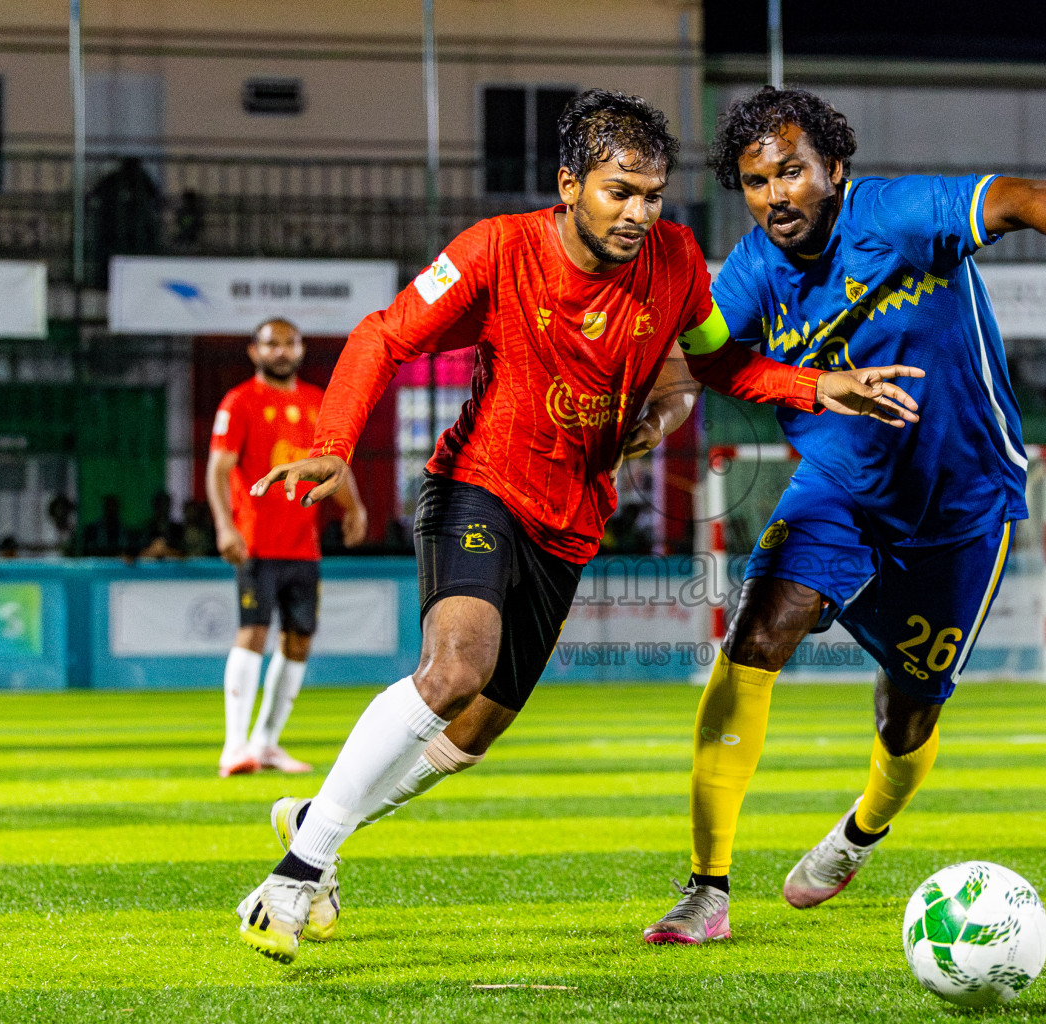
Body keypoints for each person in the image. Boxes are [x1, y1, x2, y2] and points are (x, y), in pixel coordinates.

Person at [230, 90, 923, 964]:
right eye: (619, 192)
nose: (639, 213)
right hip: (477, 487)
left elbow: (715, 362)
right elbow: (383, 335)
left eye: (653, 194)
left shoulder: (673, 261)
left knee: (472, 731)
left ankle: (319, 810)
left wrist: (812, 385)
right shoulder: (496, 251)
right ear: (569, 185)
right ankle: (297, 873)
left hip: (570, 524)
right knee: (455, 667)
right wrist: (334, 442)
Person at [642, 87, 1046, 945]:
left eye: (792, 172)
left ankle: (864, 828)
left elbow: (1021, 198)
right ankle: (706, 888)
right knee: (754, 638)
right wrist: (655, 412)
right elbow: (702, 363)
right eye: (757, 182)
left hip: (964, 505)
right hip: (838, 490)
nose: (776, 196)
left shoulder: (904, 216)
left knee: (906, 713)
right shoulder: (753, 272)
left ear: (834, 169)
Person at [206, 318, 369, 779]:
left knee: (298, 641)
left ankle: (266, 743)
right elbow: (218, 470)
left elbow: (333, 464)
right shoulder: (239, 403)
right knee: (253, 633)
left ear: (300, 349)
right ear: (254, 352)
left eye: (289, 343)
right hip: (256, 542)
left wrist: (353, 508)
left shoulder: (318, 402)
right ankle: (234, 746)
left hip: (304, 547)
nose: (280, 351)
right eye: (270, 344)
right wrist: (225, 526)